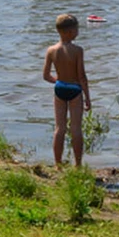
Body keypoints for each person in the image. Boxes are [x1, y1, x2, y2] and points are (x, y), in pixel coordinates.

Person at [42, 14, 91, 168]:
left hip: (60, 88)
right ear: (70, 32)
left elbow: (46, 76)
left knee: (59, 128)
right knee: (76, 128)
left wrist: (59, 81)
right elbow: (81, 76)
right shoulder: (77, 50)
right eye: (77, 29)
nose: (78, 32)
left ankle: (57, 164)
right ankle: (77, 164)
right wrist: (87, 98)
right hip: (75, 89)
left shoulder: (51, 50)